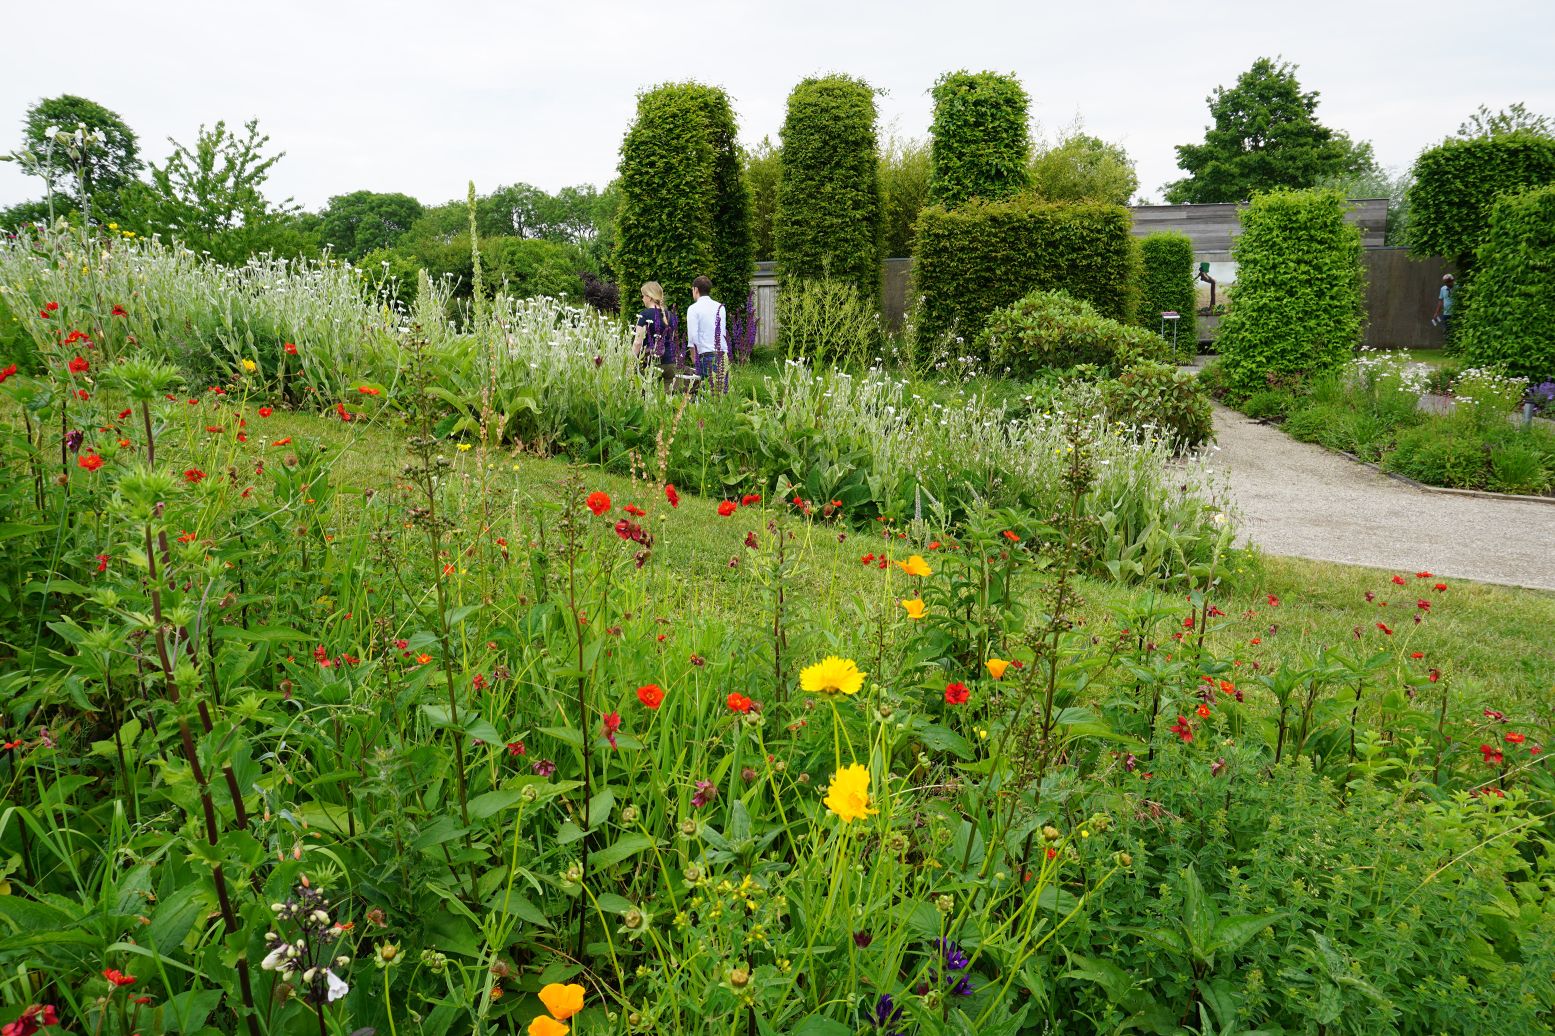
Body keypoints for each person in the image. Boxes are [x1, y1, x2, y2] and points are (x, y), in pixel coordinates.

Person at [686, 275, 730, 389]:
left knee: (707, 394)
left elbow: (692, 336)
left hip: (705, 356)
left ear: (696, 289)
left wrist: (693, 356)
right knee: (721, 392)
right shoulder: (720, 307)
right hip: (723, 354)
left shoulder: (693, 308)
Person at [631, 282, 669, 367]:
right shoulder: (669, 315)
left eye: (643, 296)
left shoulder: (644, 315)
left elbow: (638, 342)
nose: (642, 299)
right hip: (669, 363)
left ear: (649, 297)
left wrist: (631, 360)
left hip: (649, 364)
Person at [1432, 273, 1455, 346]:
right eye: (1445, 282)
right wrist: (1436, 313)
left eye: (1448, 281)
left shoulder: (1458, 287)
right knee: (1447, 330)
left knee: (1455, 330)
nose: (1447, 283)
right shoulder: (1443, 289)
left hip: (1456, 313)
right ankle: (1450, 347)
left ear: (1452, 280)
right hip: (1446, 313)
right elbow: (1440, 301)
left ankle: (1456, 347)